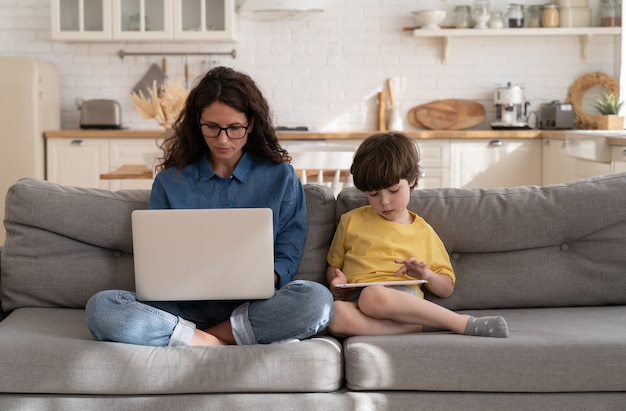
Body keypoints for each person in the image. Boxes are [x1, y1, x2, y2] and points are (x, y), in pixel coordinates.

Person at [86, 66, 333, 346]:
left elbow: (289, 248)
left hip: (254, 306)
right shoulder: (170, 182)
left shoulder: (281, 176)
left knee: (316, 299)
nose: (223, 140)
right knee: (102, 308)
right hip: (182, 307)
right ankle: (225, 339)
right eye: (212, 128)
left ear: (251, 123)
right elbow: (158, 257)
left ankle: (195, 339)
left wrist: (262, 278)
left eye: (234, 128)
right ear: (197, 122)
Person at [326, 132, 509, 338]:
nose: (384, 202)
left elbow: (446, 288)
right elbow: (334, 267)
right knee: (336, 314)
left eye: (393, 190)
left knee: (372, 295)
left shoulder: (423, 231)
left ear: (411, 180)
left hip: (401, 299)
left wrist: (425, 275)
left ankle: (460, 322)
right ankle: (428, 326)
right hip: (358, 300)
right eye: (373, 194)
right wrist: (337, 283)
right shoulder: (350, 221)